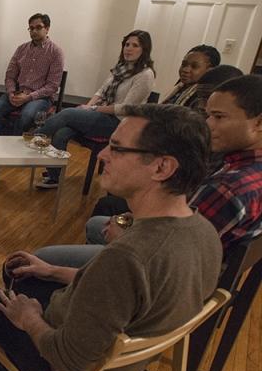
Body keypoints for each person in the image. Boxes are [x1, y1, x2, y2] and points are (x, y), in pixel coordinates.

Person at [0, 104, 221, 371]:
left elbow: (70, 362)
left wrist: (30, 319)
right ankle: (8, 358)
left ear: (162, 167)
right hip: (121, 358)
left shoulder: (127, 256)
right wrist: (51, 271)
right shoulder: (204, 231)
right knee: (19, 271)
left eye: (117, 148)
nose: (103, 154)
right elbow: (130, 294)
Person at [87, 75, 262, 253]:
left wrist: (122, 239)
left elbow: (175, 252)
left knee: (96, 224)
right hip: (183, 256)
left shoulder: (227, 189)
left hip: (160, 268)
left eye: (218, 117)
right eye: (208, 115)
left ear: (259, 122)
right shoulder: (246, 170)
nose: (208, 124)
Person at [35, 30, 155, 189]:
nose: (129, 49)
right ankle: (54, 176)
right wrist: (87, 107)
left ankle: (35, 138)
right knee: (61, 133)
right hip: (101, 115)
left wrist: (93, 109)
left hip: (119, 124)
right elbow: (101, 92)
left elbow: (125, 109)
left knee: (66, 113)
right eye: (127, 44)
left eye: (135, 45)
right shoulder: (121, 68)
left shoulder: (145, 74)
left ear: (144, 50)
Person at [0, 13, 65, 135]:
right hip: (17, 93)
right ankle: (12, 139)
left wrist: (28, 97)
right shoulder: (21, 49)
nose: (34, 31)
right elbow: (10, 75)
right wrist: (11, 92)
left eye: (38, 27)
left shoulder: (56, 52)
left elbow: (52, 86)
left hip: (40, 97)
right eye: (31, 28)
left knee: (26, 117)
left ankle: (9, 143)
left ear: (47, 29)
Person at [160, 44, 221, 111]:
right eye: (184, 64)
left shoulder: (204, 97)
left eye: (194, 66)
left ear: (210, 70)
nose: (185, 70)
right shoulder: (180, 86)